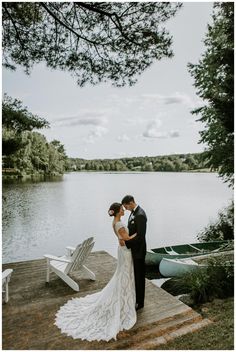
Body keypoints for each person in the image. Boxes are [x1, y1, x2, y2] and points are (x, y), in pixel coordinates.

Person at [55, 202, 137, 341]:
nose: (124, 210)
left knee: (122, 274)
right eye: (122, 209)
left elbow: (121, 239)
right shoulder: (119, 224)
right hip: (125, 252)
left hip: (122, 252)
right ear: (117, 212)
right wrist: (137, 235)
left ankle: (125, 296)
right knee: (124, 274)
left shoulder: (115, 222)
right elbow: (125, 240)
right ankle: (123, 301)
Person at [121, 195, 147, 311]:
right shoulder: (133, 213)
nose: (125, 209)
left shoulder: (140, 215)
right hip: (133, 250)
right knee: (135, 276)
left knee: (140, 277)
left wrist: (127, 243)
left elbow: (140, 236)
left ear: (131, 202)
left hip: (139, 252)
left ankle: (140, 303)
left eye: (126, 206)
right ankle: (136, 298)